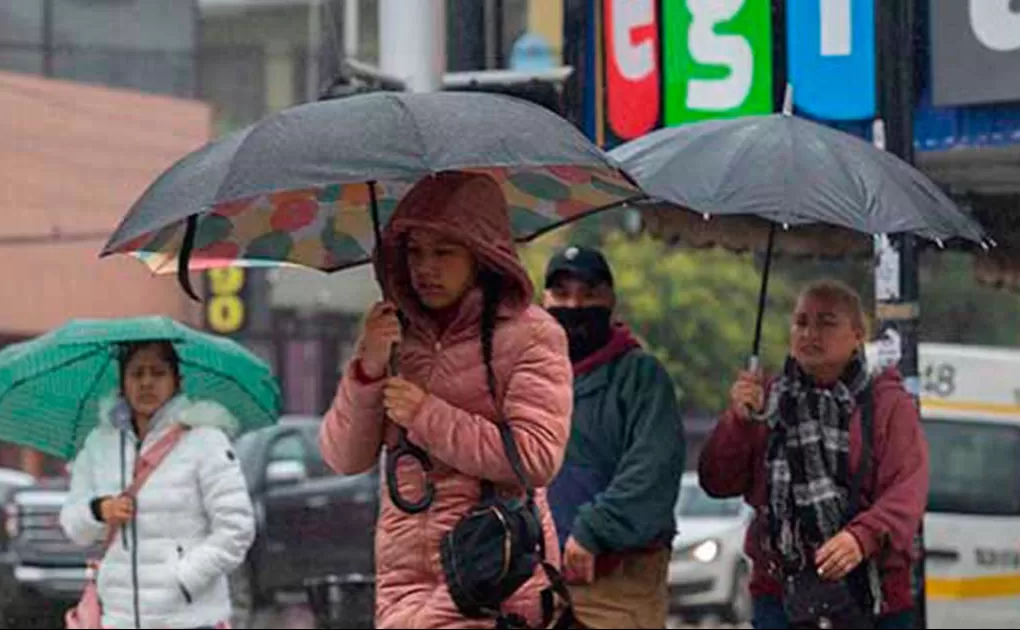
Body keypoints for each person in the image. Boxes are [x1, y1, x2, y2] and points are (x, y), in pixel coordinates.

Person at [320, 171, 574, 629]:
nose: (425, 268)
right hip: (403, 583)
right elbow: (344, 456)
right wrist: (368, 369)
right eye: (414, 252)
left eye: (443, 252)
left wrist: (424, 414)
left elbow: (536, 457)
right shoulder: (396, 335)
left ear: (482, 254)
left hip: (490, 576)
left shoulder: (532, 336)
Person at [698, 280, 929, 629]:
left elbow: (906, 494)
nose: (810, 333)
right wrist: (739, 422)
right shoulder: (769, 397)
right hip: (782, 595)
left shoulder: (888, 404)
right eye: (801, 322)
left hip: (874, 597)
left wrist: (860, 538)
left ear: (857, 335)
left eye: (826, 322)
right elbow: (717, 482)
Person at [61, 340, 256, 629]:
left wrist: (184, 578)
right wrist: (100, 511)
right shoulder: (99, 444)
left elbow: (237, 528)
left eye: (158, 373)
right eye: (137, 374)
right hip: (118, 619)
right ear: (123, 382)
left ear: (177, 381)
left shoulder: (205, 441)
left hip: (188, 619)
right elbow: (73, 525)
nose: (147, 382)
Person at [540, 245, 685, 629]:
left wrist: (593, 531)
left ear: (610, 300)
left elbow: (652, 470)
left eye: (588, 294)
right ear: (543, 300)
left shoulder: (642, 377)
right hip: (534, 582)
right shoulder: (528, 376)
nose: (573, 305)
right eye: (562, 294)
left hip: (620, 583)